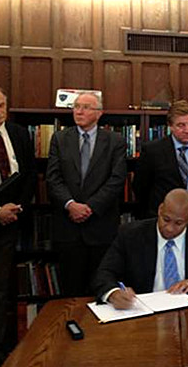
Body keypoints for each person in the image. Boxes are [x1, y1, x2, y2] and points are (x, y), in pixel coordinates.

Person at [92, 189, 188, 309]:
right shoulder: (131, 235)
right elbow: (104, 273)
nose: (170, 228)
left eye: (178, 223)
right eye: (166, 219)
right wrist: (114, 293)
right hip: (142, 311)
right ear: (160, 210)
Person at [46, 92, 127, 296]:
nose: (79, 111)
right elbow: (53, 178)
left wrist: (90, 207)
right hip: (68, 228)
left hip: (101, 227)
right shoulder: (60, 138)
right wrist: (70, 205)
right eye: (76, 106)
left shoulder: (115, 141)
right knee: (70, 292)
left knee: (100, 290)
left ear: (99, 113)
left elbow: (117, 180)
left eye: (85, 107)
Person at [0, 83, 37, 365]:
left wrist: (17, 208)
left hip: (11, 224)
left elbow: (30, 175)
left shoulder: (19, 134)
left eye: (1, 106)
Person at [133, 100, 188, 224]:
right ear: (170, 126)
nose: (187, 130)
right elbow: (140, 187)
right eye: (181, 125)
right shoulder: (153, 150)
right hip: (163, 220)